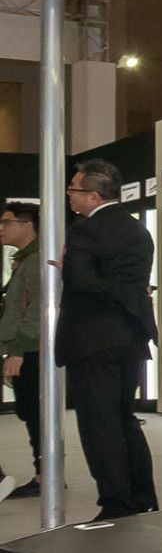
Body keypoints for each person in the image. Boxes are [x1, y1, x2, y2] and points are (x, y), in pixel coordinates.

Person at [56, 159, 158, 521]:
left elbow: (83, 283)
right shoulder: (138, 230)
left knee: (100, 424)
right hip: (131, 336)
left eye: (74, 189)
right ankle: (142, 495)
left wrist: (67, 268)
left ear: (93, 196)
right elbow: (127, 282)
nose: (69, 195)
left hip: (92, 339)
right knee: (124, 418)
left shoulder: (84, 231)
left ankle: (116, 502)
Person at [0, 201, 43, 501]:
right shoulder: (23, 261)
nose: (2, 229)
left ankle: (46, 475)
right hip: (24, 348)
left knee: (35, 413)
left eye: (7, 222)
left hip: (31, 350)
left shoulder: (35, 262)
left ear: (27, 225)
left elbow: (37, 310)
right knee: (29, 412)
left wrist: (18, 351)